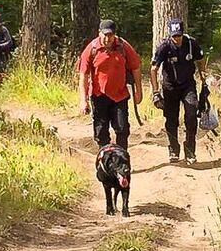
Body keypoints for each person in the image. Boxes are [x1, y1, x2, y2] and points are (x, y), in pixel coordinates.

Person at [78, 19, 143, 150]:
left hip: (120, 95)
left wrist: (139, 92)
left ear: (115, 34)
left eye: (111, 35)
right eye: (105, 35)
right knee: (101, 131)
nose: (108, 38)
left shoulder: (123, 46)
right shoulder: (92, 48)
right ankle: (105, 159)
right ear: (99, 33)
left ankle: (121, 158)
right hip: (98, 95)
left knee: (122, 129)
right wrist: (83, 100)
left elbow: (136, 68)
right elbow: (83, 75)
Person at [150, 18, 206, 164]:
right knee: (171, 119)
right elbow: (153, 69)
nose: (177, 39)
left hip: (188, 85)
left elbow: (200, 60)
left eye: (179, 35)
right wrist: (156, 92)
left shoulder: (191, 44)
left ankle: (190, 150)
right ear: (170, 35)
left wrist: (203, 80)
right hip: (170, 87)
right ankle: (174, 149)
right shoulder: (164, 46)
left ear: (182, 33)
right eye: (174, 36)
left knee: (191, 115)